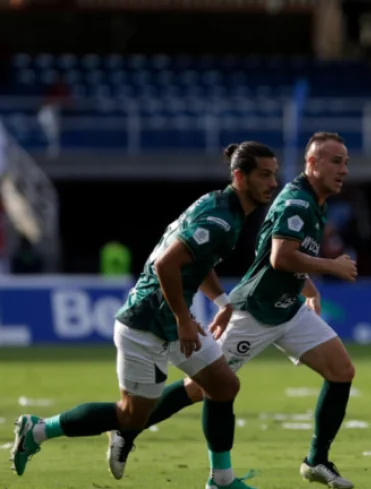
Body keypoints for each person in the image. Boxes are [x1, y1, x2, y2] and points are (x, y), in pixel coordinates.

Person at [11, 141, 279, 489]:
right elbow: (166, 264)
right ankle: (38, 430)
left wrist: (222, 301)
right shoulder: (220, 219)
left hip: (171, 319)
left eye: (273, 174)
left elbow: (196, 261)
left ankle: (222, 480)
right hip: (147, 324)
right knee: (130, 415)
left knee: (223, 385)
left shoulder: (224, 208)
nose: (273, 183)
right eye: (264, 175)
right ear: (240, 177)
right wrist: (183, 319)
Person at [108, 132, 359, 488]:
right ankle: (128, 428)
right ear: (312, 163)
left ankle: (316, 460)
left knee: (341, 370)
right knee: (201, 388)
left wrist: (308, 288)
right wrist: (331, 266)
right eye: (336, 161)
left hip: (287, 309)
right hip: (255, 311)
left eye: (346, 162)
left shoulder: (314, 201)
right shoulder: (297, 202)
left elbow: (272, 256)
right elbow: (279, 257)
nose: (344, 170)